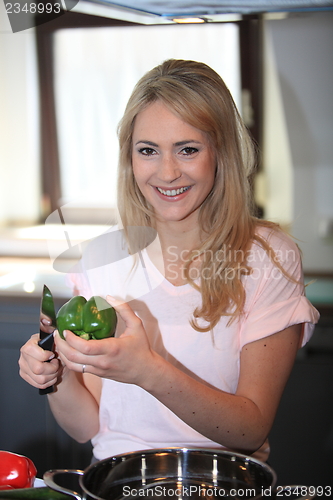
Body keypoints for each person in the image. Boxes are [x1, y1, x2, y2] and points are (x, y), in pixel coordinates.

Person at [19, 59, 319, 463]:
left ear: (221, 153)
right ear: (130, 158)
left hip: (216, 480)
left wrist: (147, 370)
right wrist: (56, 378)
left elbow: (250, 430)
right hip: (119, 478)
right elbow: (88, 426)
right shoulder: (102, 256)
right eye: (148, 151)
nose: (167, 172)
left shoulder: (267, 255)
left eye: (188, 149)